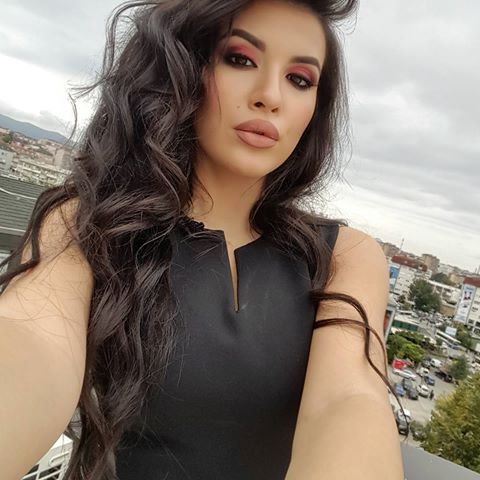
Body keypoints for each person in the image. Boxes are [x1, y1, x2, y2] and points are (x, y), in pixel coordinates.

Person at [0, 1, 405, 479]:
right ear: (181, 68)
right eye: (239, 59)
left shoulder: (344, 257)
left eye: (299, 79)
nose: (270, 96)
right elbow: (30, 340)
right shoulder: (89, 224)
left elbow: (349, 398)